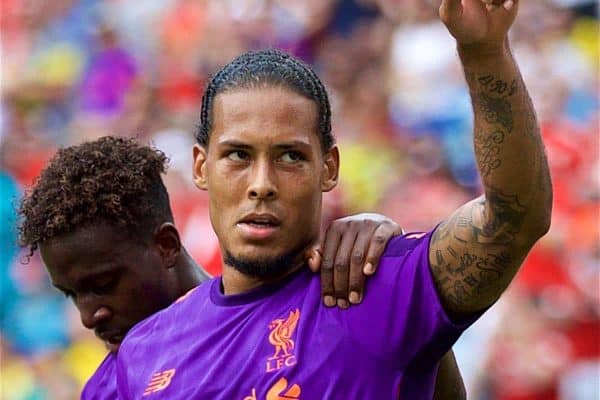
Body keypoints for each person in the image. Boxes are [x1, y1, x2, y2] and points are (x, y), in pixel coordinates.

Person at [115, 0, 552, 398]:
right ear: (200, 167)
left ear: (328, 169)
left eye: (290, 156)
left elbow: (513, 219)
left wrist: (484, 51)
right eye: (238, 156)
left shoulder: (378, 288)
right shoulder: (142, 355)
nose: (261, 183)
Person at [17, 137, 465, 399]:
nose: (89, 316)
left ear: (167, 246)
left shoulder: (321, 295)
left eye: (103, 285)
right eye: (73, 294)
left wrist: (393, 277)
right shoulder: (108, 389)